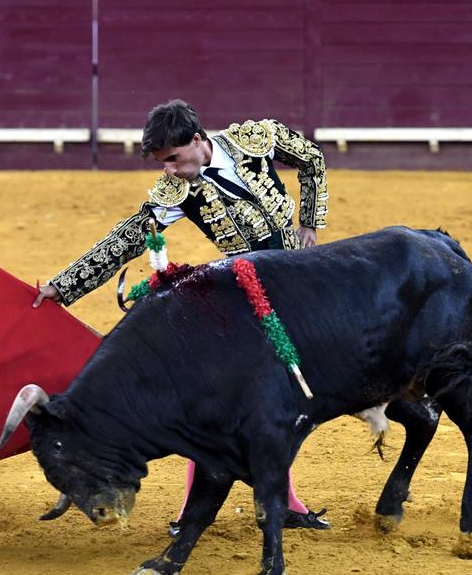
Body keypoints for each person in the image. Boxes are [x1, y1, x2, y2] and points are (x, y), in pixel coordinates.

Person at [33, 99, 330, 531]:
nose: (168, 171)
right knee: (228, 397)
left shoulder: (257, 139)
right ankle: (216, 508)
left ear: (197, 140)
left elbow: (312, 159)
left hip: (300, 283)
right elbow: (130, 237)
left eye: (173, 159)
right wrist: (66, 285)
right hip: (248, 291)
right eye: (161, 163)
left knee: (287, 394)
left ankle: (279, 499)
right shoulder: (177, 191)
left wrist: (309, 222)